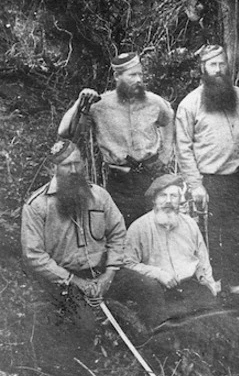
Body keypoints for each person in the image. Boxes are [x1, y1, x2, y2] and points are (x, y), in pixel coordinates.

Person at [21, 140, 163, 331]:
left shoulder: (99, 196)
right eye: (66, 165)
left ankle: (157, 346)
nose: (73, 170)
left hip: (104, 271)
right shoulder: (37, 205)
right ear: (52, 168)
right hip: (66, 280)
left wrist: (109, 274)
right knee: (86, 327)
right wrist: (75, 281)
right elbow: (34, 255)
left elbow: (117, 232)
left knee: (149, 287)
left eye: (77, 163)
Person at [176, 45, 239, 293]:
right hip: (210, 183)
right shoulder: (190, 104)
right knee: (211, 237)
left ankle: (236, 288)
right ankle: (214, 289)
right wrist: (195, 185)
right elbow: (183, 148)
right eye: (213, 65)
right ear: (202, 69)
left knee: (237, 234)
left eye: (222, 64)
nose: (218, 69)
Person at [58, 52, 174, 227]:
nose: (138, 80)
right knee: (123, 229)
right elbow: (64, 131)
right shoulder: (100, 105)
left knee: (156, 228)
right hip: (120, 182)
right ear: (117, 76)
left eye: (140, 74)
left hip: (151, 176)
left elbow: (169, 120)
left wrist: (166, 153)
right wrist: (79, 100)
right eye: (132, 75)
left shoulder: (154, 102)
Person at [124, 174, 220, 324]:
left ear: (180, 200)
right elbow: (128, 264)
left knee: (212, 321)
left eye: (173, 196)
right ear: (154, 200)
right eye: (163, 195)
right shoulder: (139, 227)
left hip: (190, 286)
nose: (168, 201)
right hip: (157, 290)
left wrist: (209, 282)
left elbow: (202, 257)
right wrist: (157, 273)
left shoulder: (189, 224)